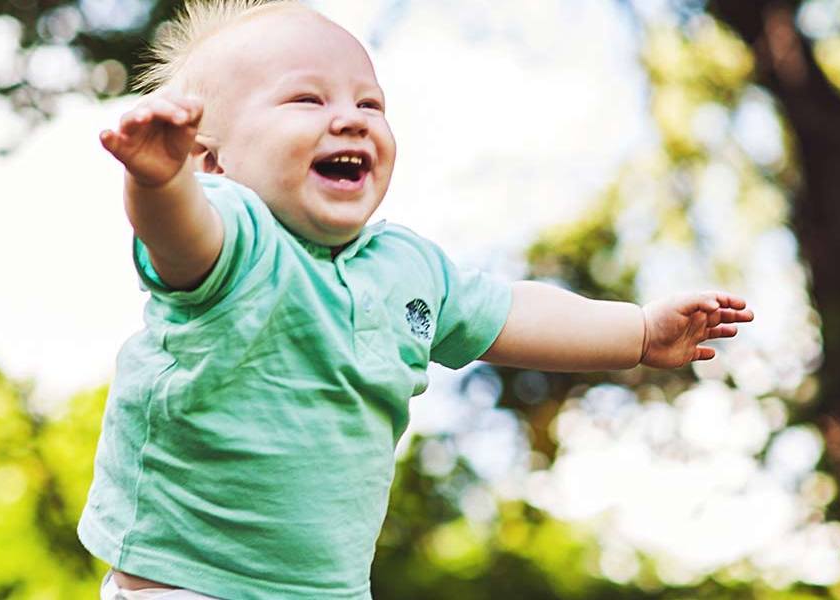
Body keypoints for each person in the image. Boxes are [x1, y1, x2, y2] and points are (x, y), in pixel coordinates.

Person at [80, 2, 755, 598]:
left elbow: (515, 315)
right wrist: (157, 182)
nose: (349, 119)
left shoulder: (405, 268)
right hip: (186, 580)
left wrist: (636, 331)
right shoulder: (236, 238)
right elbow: (178, 234)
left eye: (369, 104)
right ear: (212, 161)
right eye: (307, 101)